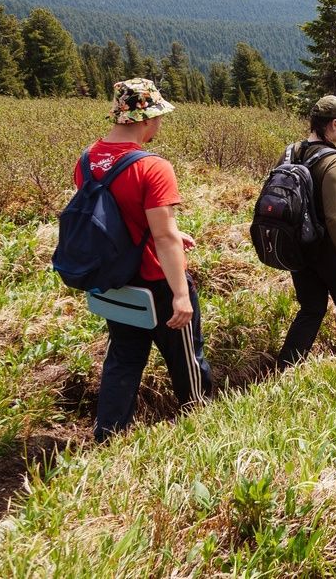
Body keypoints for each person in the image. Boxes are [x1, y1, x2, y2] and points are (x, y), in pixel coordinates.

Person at [75, 78, 211, 441]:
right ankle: (202, 426)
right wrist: (181, 294)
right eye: (159, 117)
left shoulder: (88, 159)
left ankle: (108, 435)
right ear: (146, 119)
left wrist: (158, 232)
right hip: (157, 280)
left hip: (115, 277)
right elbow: (164, 237)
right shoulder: (153, 166)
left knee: (124, 357)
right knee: (186, 359)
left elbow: (110, 216)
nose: (160, 124)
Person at [277, 95, 336, 368]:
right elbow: (335, 217)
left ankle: (286, 367)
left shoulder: (290, 151)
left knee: (312, 308)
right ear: (335, 124)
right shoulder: (333, 161)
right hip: (327, 248)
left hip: (297, 247)